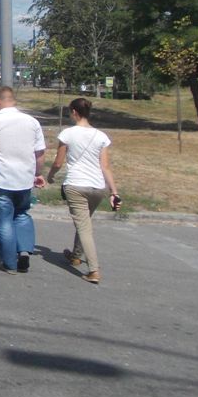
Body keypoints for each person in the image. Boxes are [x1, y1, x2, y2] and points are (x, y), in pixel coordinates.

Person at [0, 86, 47, 274]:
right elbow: (39, 153)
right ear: (14, 101)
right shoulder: (32, 122)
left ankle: (9, 263)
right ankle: (24, 250)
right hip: (25, 179)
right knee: (22, 214)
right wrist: (38, 173)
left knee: (4, 220)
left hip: (2, 180)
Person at [45, 97, 120, 285]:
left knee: (84, 227)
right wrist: (114, 192)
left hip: (76, 185)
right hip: (97, 187)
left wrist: (50, 176)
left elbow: (58, 162)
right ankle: (76, 256)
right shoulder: (101, 136)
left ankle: (94, 270)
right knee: (84, 221)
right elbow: (105, 167)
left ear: (74, 112)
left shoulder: (67, 134)